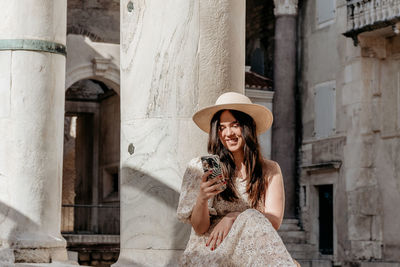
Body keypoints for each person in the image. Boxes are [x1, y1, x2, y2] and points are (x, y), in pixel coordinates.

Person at [177, 92, 298, 266]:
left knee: (251, 217)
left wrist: (234, 216)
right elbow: (200, 228)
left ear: (248, 128)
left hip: (249, 246)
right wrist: (202, 198)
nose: (228, 133)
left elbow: (273, 221)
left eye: (235, 125)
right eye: (221, 127)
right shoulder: (201, 167)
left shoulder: (270, 170)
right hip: (211, 247)